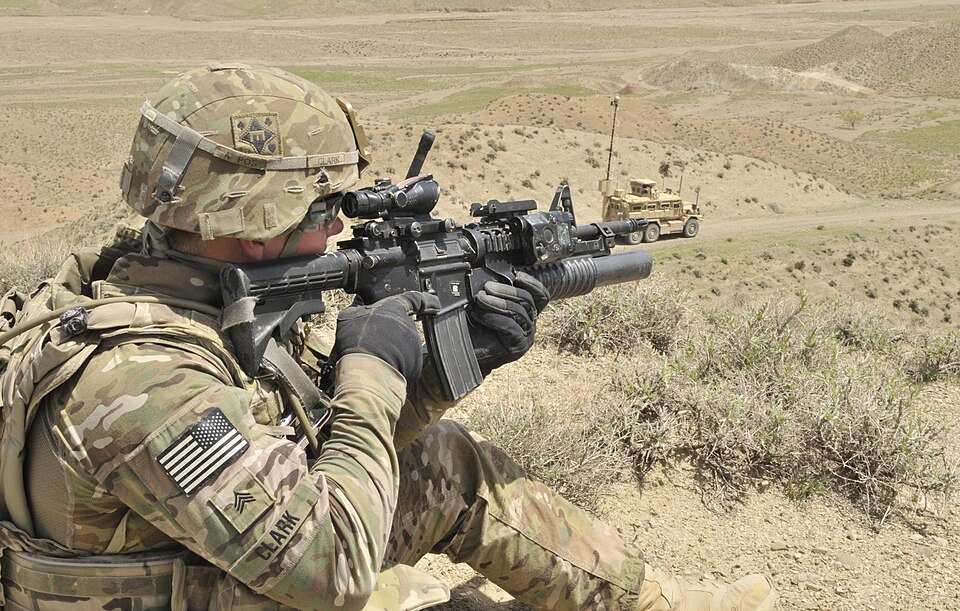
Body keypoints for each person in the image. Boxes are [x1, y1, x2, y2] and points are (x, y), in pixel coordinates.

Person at [0, 64, 776, 610]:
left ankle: (656, 601)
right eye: (321, 207)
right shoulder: (141, 383)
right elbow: (330, 569)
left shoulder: (152, 288)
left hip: (202, 559)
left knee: (444, 458)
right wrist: (371, 368)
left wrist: (435, 376)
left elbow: (291, 447)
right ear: (254, 220)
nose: (336, 227)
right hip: (255, 574)